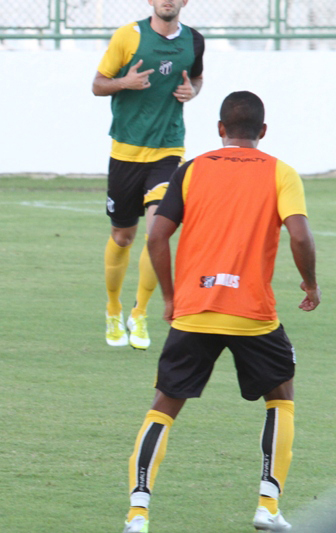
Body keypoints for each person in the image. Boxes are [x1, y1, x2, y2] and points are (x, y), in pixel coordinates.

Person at [122, 91, 320, 533]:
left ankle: (137, 514)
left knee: (163, 408)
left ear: (219, 129)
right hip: (253, 315)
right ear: (263, 132)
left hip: (195, 309)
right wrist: (310, 282)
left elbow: (156, 237)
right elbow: (301, 236)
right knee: (281, 397)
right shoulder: (281, 172)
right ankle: (268, 505)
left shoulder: (190, 170)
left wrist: (172, 298)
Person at [93, 0, 204, 349]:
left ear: (185, 2)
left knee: (158, 232)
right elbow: (98, 84)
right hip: (126, 150)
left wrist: (193, 91)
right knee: (123, 236)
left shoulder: (195, 41)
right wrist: (124, 82)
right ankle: (113, 309)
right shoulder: (128, 36)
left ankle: (140, 314)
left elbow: (197, 77)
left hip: (169, 150)